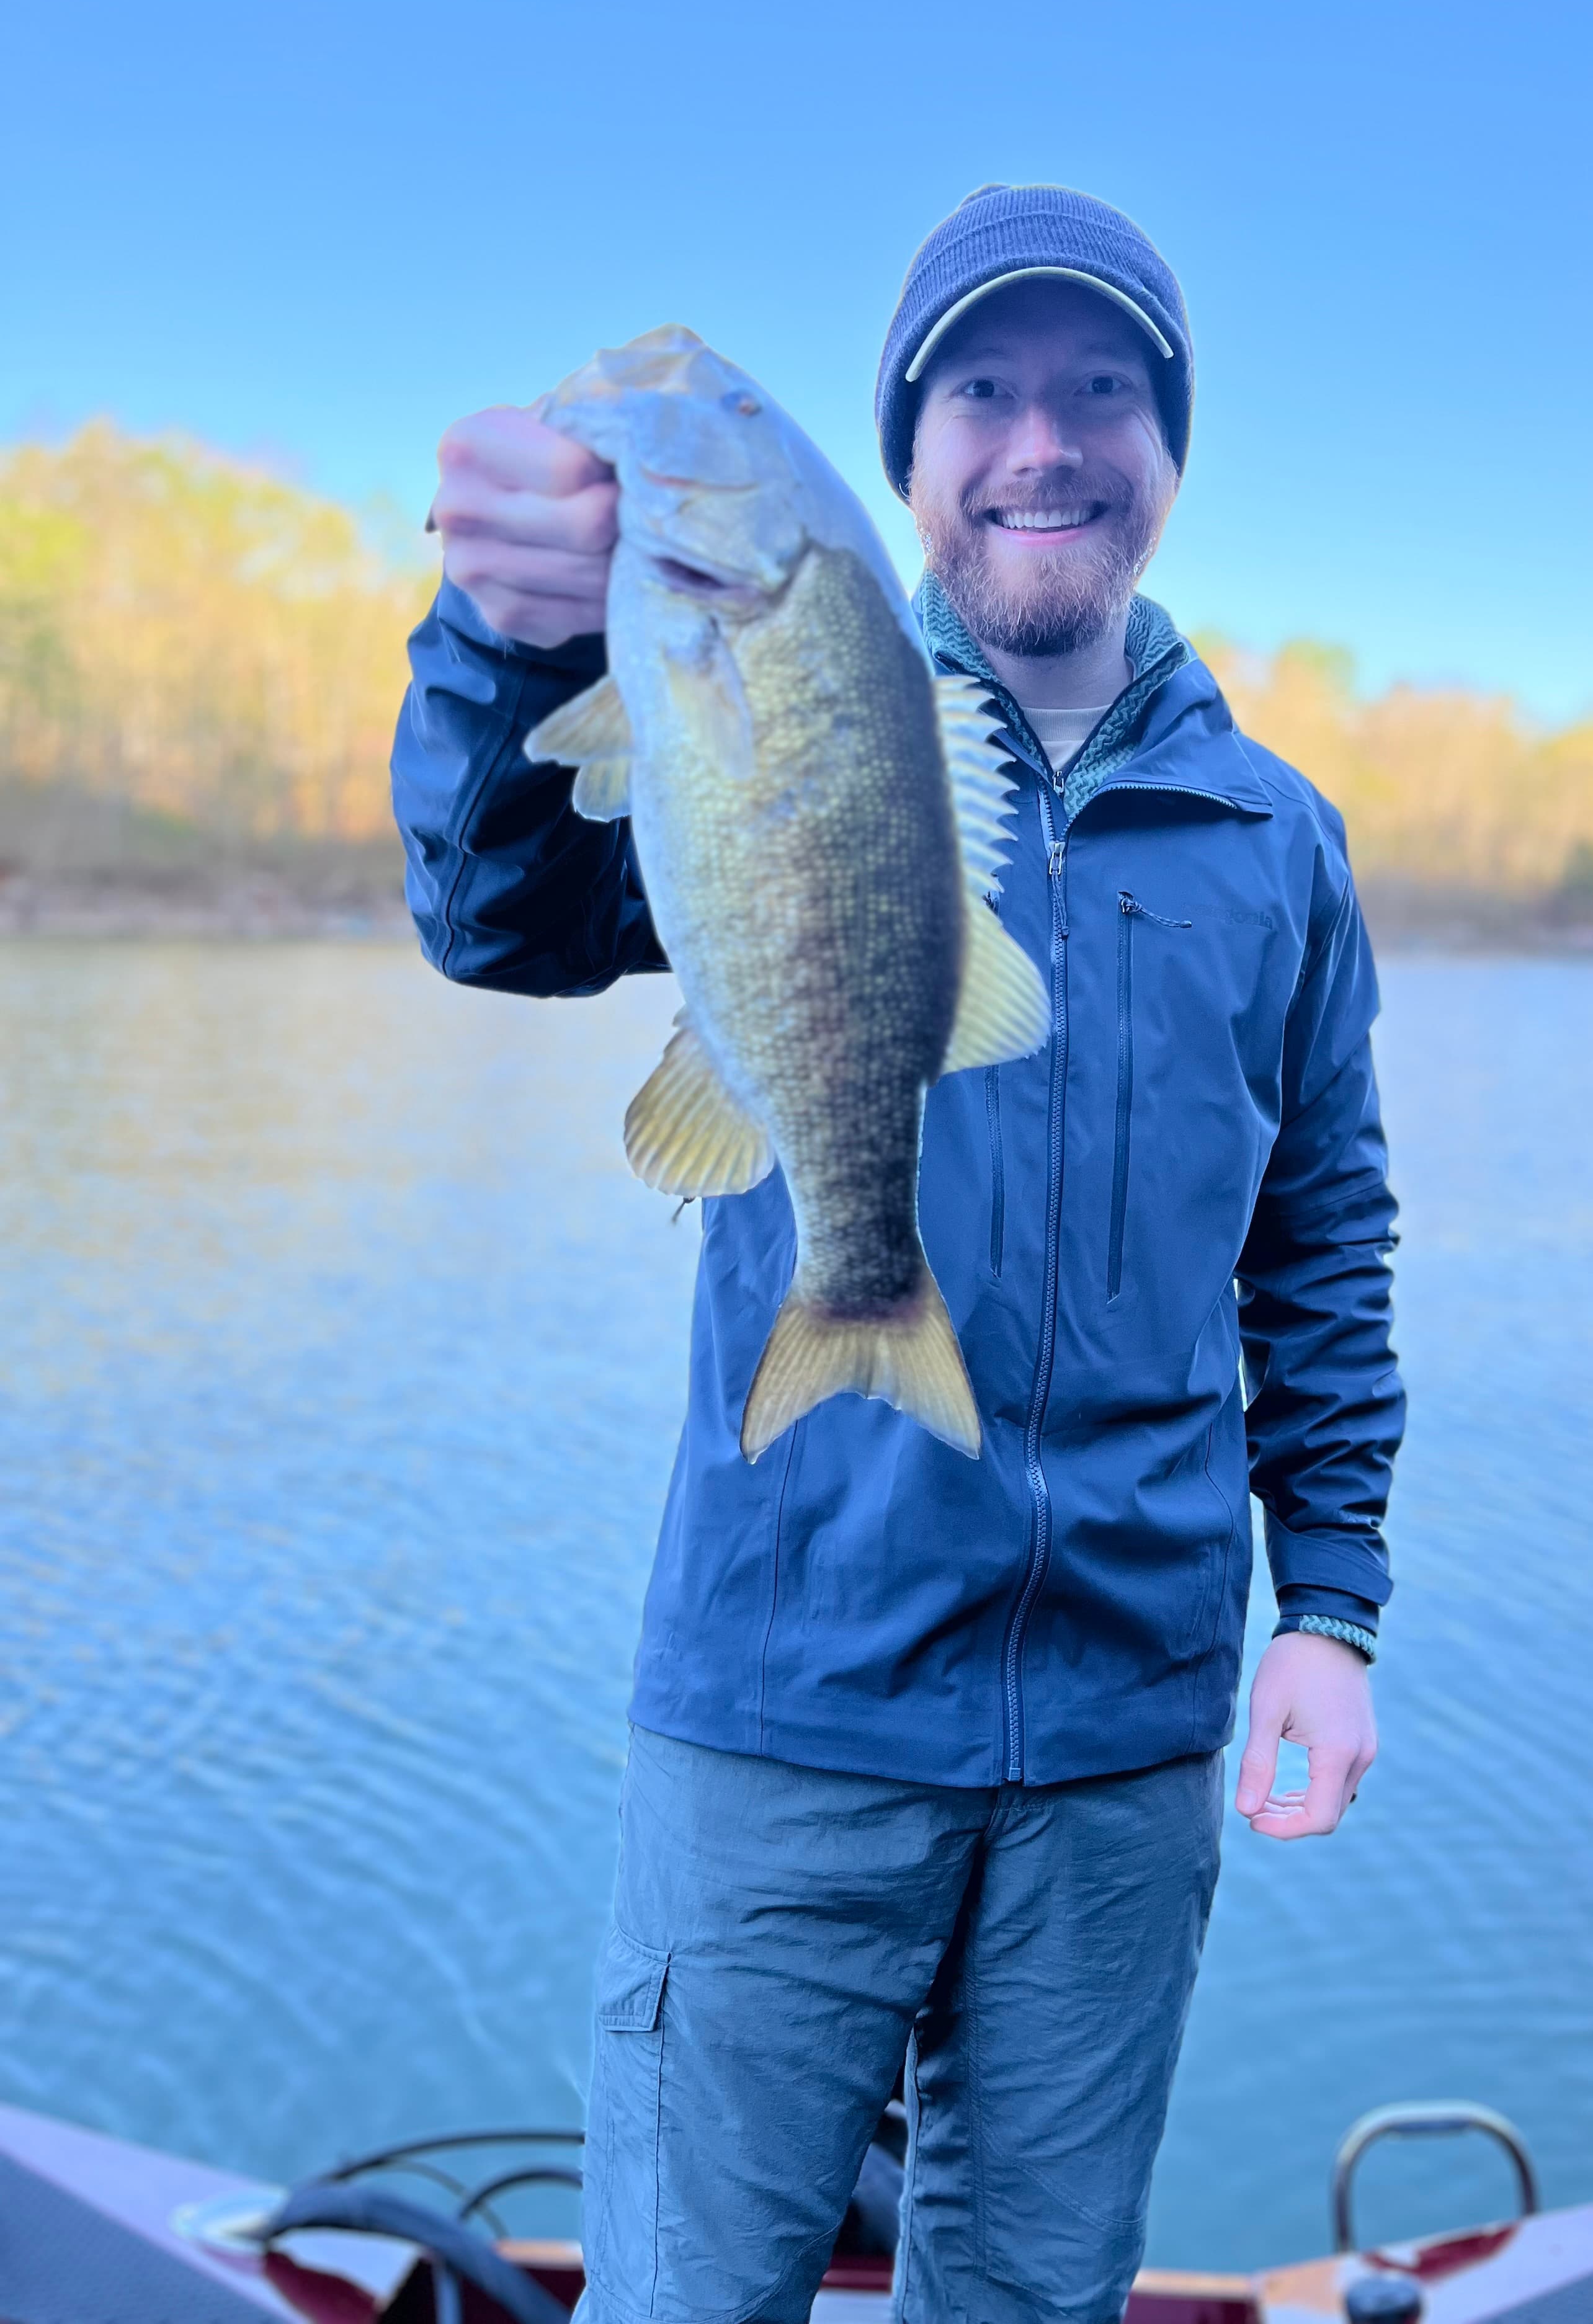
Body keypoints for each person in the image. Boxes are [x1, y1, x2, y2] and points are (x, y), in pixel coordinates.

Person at [392, 184, 1404, 2324]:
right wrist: (504, 648)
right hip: (784, 1704)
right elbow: (497, 916)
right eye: (986, 392)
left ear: (1166, 450)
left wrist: (1330, 1606)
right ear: (908, 454)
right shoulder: (766, 688)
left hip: (1126, 1745)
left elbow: (1323, 1247)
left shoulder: (1279, 843)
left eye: (1102, 390)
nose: (1046, 440)